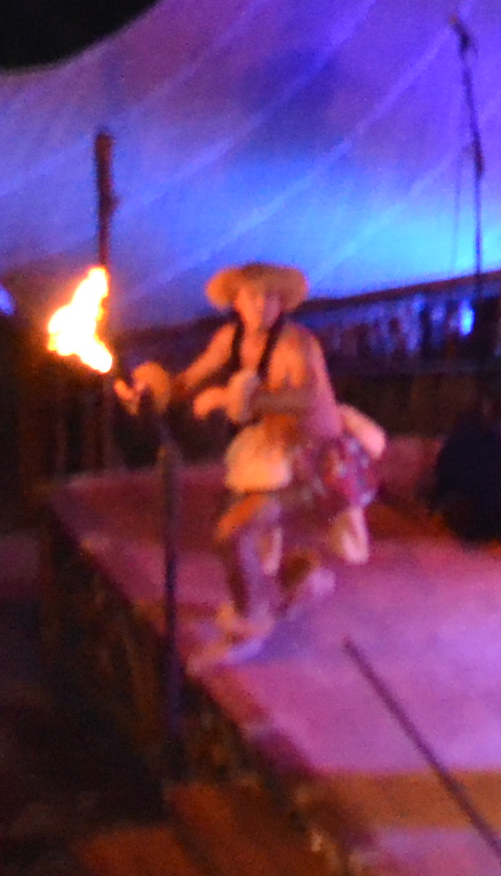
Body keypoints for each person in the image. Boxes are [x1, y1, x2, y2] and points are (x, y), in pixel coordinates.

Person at [123, 262, 383, 659]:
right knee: (236, 529)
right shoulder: (230, 339)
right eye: (251, 296)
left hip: (315, 463)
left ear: (281, 303)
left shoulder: (296, 345)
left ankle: (253, 620)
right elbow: (185, 383)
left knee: (234, 532)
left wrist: (236, 399)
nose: (261, 305)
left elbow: (303, 398)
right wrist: (151, 391)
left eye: (270, 297)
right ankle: (300, 579)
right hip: (273, 455)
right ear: (236, 302)